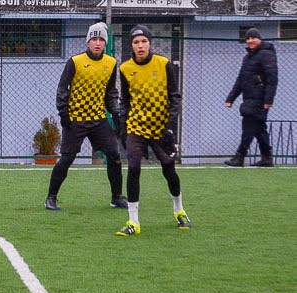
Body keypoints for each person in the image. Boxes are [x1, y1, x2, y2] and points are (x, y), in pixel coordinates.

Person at [116, 25, 191, 236]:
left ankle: (179, 211)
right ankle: (133, 222)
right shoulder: (125, 69)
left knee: (169, 169)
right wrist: (123, 128)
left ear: (150, 43)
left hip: (160, 128)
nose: (140, 46)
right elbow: (125, 101)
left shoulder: (164, 64)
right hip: (136, 127)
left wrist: (170, 126)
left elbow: (175, 97)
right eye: (136, 42)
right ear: (131, 46)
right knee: (133, 168)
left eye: (144, 41)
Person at [45, 22, 128, 212]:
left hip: (98, 119)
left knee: (114, 155)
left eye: (101, 40)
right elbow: (62, 89)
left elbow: (111, 92)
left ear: (105, 43)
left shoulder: (111, 63)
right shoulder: (75, 61)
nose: (97, 43)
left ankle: (116, 197)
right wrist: (64, 113)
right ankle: (51, 197)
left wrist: (115, 114)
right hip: (76, 119)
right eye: (94, 39)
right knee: (66, 159)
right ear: (88, 41)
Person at [224, 27, 278, 167]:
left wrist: (268, 101)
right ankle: (267, 158)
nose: (250, 41)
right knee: (259, 128)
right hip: (249, 98)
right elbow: (241, 79)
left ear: (259, 39)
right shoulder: (248, 57)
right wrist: (231, 98)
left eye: (253, 38)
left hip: (259, 99)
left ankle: (239, 156)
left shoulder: (266, 54)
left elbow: (272, 79)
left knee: (248, 126)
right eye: (247, 38)